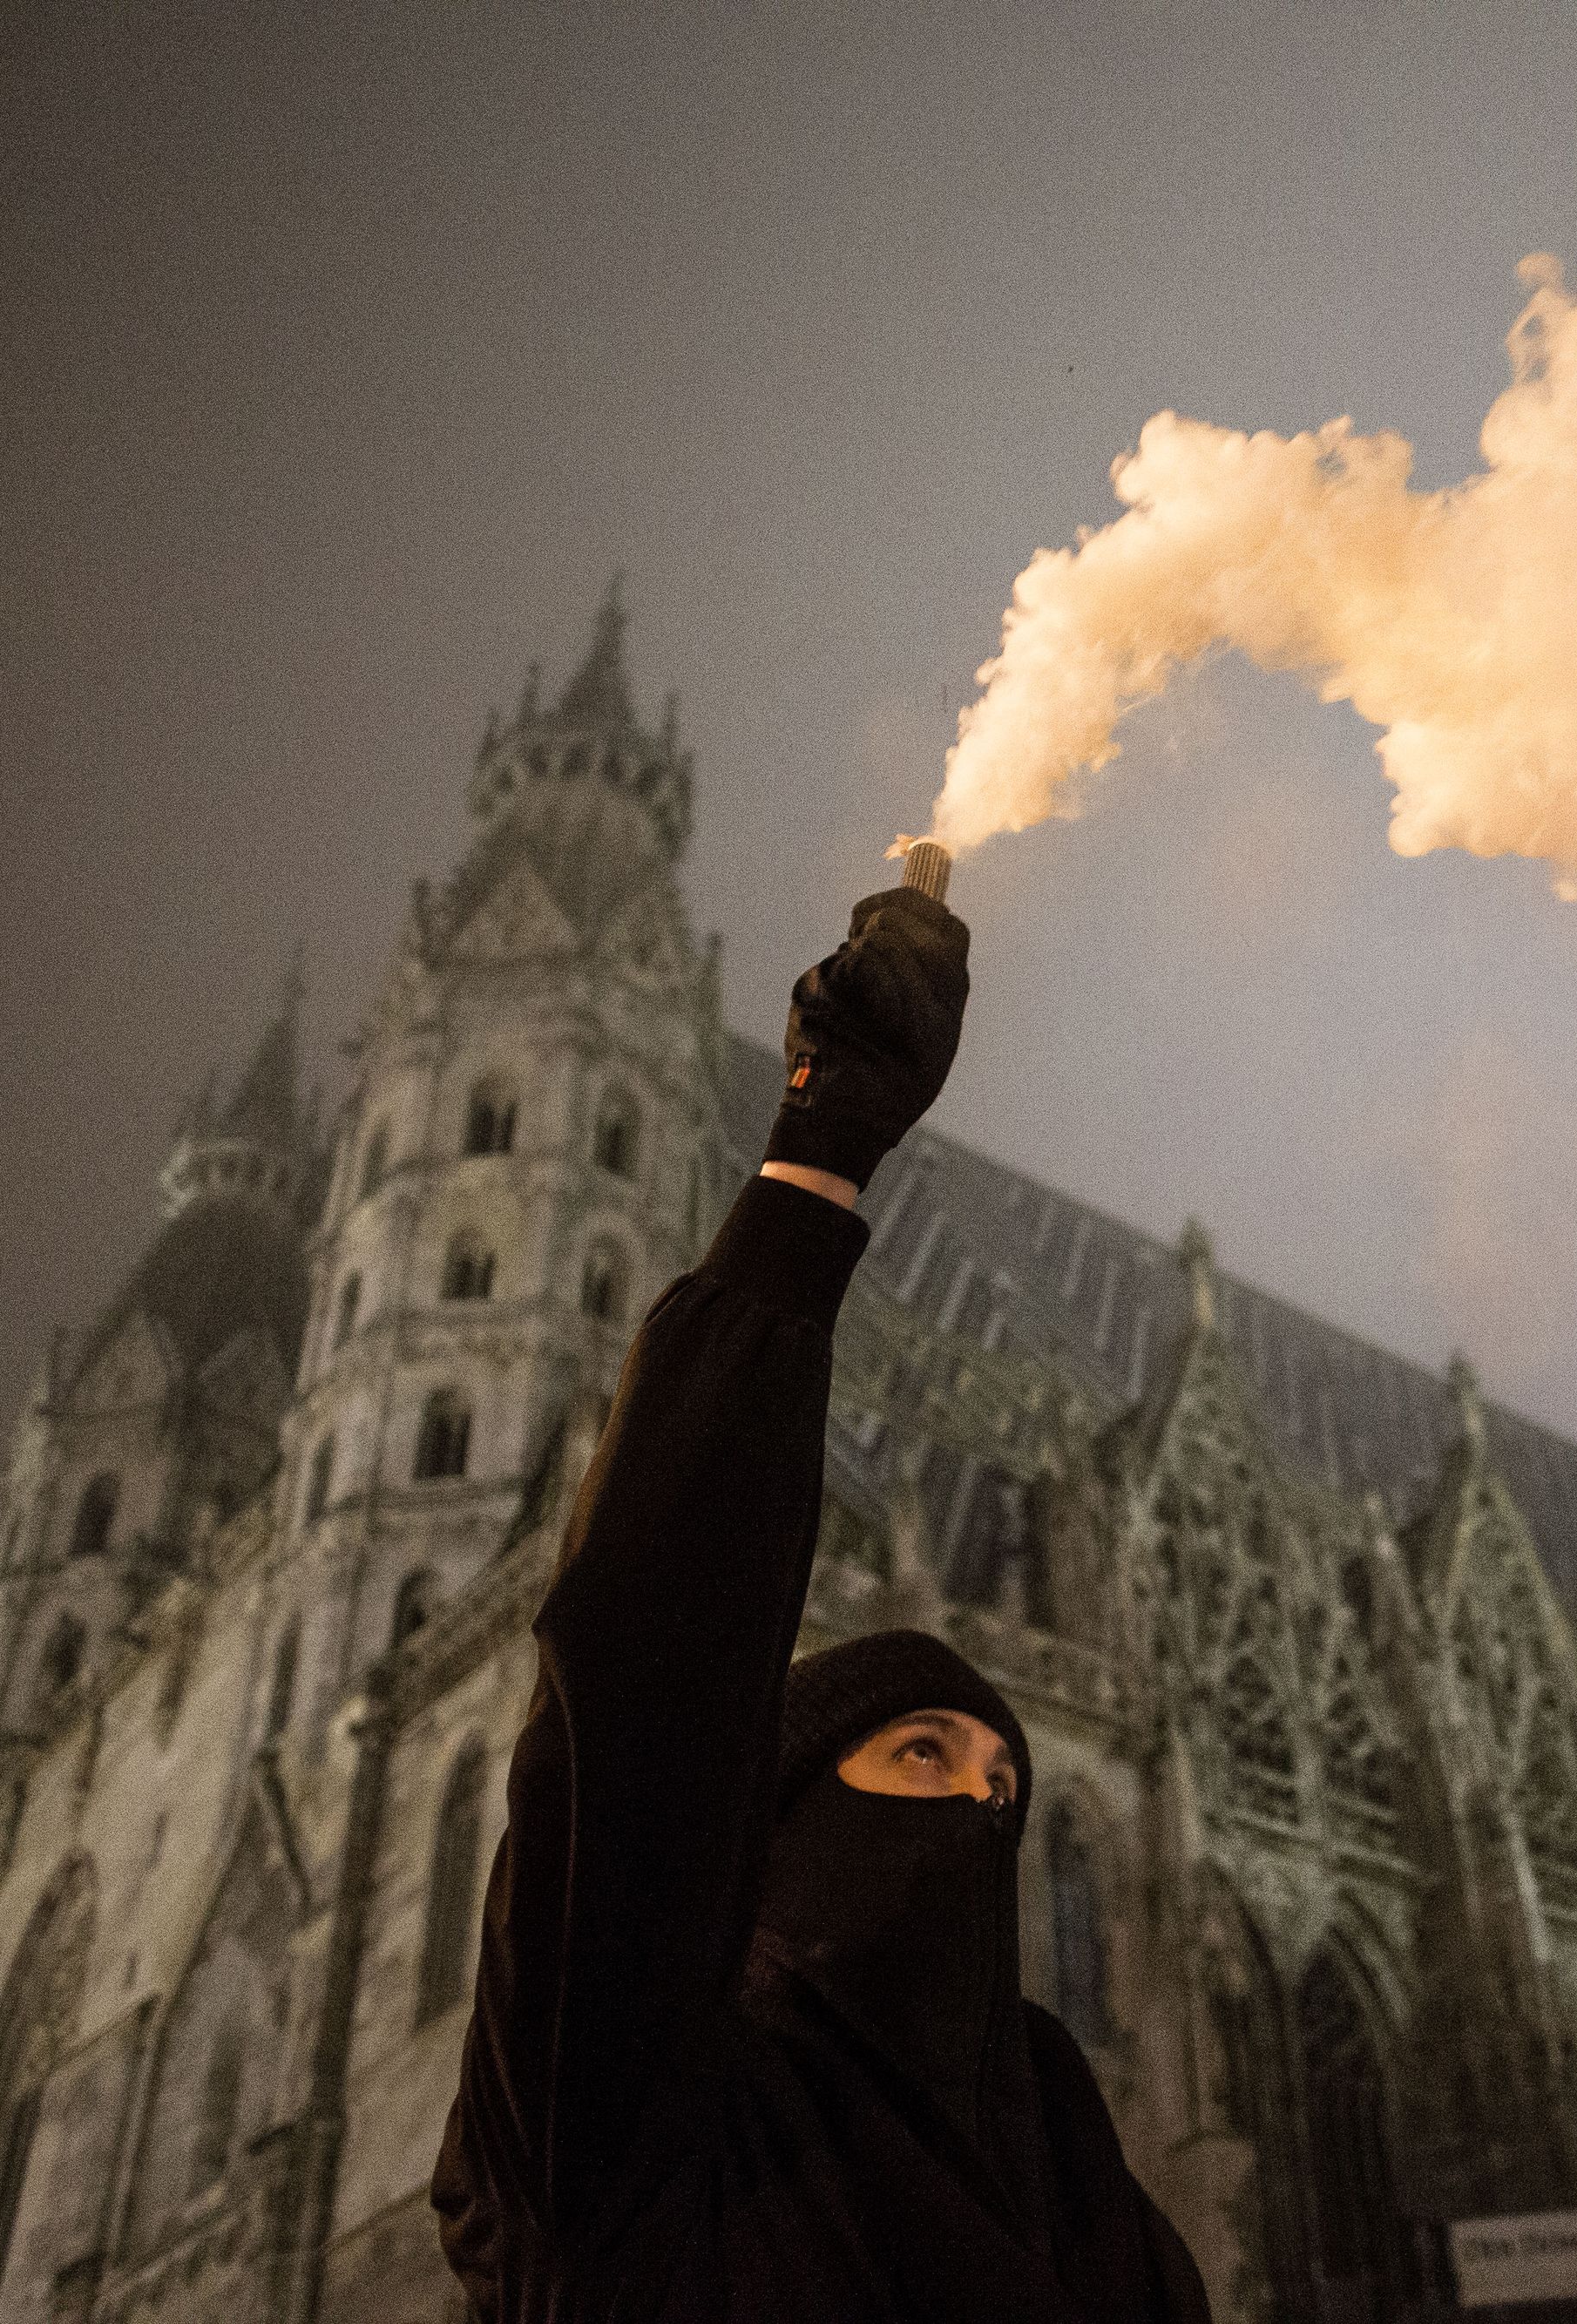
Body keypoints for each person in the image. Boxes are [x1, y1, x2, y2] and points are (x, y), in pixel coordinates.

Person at [432, 883, 1212, 2324]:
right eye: (923, 1755)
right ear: (769, 1812)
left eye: (1003, 1791)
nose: (978, 1811)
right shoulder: (637, 2142)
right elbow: (651, 1685)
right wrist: (816, 1163)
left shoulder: (1087, 2202)